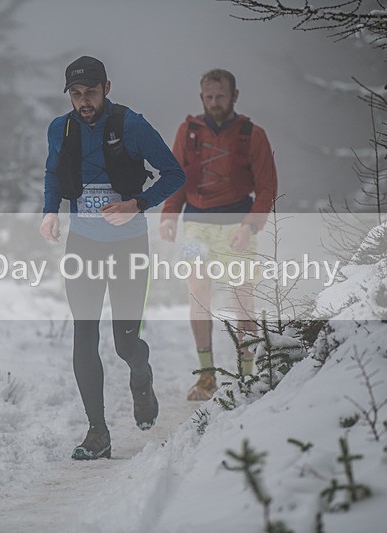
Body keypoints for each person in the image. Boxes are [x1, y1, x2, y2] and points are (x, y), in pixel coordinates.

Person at [39, 56, 185, 460]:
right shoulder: (60, 128)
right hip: (82, 244)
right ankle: (97, 433)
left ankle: (141, 373)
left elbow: (175, 174)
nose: (84, 101)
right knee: (84, 333)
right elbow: (53, 172)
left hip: (128, 246)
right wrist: (50, 211)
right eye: (76, 94)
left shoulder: (131, 125)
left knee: (125, 344)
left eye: (90, 92)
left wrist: (136, 204)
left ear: (107, 87)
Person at [159, 68, 277, 401]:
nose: (214, 103)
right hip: (196, 224)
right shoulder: (188, 131)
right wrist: (169, 216)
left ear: (235, 96)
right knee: (198, 294)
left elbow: (267, 189)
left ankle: (246, 375)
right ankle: (207, 376)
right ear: (201, 98)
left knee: (243, 300)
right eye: (209, 97)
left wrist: (249, 225)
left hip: (239, 222)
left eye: (220, 97)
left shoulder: (253, 135)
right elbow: (175, 177)